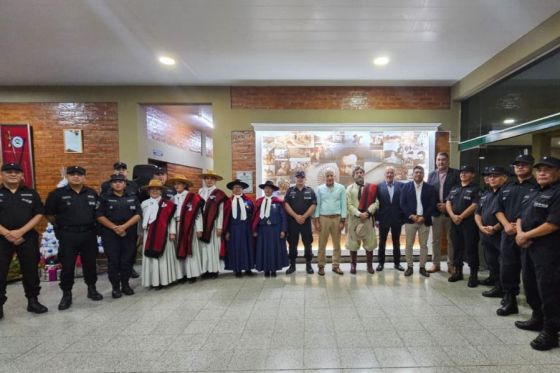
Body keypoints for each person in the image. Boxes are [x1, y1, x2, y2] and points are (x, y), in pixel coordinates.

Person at [515, 156, 560, 351]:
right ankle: (537, 318)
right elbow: (520, 216)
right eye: (539, 169)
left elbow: (553, 224)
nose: (541, 173)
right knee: (531, 284)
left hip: (548, 250)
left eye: (547, 169)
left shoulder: (557, 193)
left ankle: (551, 332)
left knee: (549, 290)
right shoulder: (532, 191)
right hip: (528, 247)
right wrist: (520, 233)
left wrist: (526, 235)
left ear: (558, 172)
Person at [45, 166, 103, 310]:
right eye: (72, 174)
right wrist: (58, 227)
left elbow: (97, 213)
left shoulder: (91, 193)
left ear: (84, 177)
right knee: (68, 266)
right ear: (67, 176)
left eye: (79, 174)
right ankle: (66, 294)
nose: (76, 177)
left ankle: (92, 289)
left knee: (90, 264)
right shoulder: (57, 194)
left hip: (89, 234)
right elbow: (49, 213)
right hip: (68, 235)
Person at [0, 163, 48, 319]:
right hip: (2, 238)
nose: (13, 174)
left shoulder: (31, 193)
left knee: (31, 271)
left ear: (22, 175)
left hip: (27, 238)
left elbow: (39, 214)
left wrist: (21, 232)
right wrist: (7, 233)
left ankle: (33, 301)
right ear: (2, 175)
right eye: (9, 172)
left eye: (17, 172)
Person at [493, 154, 538, 316]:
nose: (520, 167)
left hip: (530, 236)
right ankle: (510, 300)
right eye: (517, 164)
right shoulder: (507, 186)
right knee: (507, 267)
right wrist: (506, 225)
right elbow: (497, 209)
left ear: (531, 166)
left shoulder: (538, 186)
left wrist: (519, 228)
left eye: (524, 164)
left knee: (529, 272)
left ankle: (537, 310)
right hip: (509, 233)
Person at [96, 174, 141, 298]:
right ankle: (115, 288)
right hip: (110, 234)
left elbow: (138, 214)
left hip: (129, 234)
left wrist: (124, 227)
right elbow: (99, 215)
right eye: (115, 182)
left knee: (127, 261)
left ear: (125, 183)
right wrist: (115, 228)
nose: (118, 184)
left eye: (120, 181)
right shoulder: (104, 198)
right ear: (111, 184)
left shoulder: (132, 197)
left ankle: (125, 285)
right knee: (114, 262)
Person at [100, 162, 141, 279]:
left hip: (129, 228)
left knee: (128, 256)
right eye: (118, 169)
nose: (120, 171)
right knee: (113, 258)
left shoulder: (133, 185)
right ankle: (115, 285)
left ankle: (126, 280)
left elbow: (138, 209)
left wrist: (125, 227)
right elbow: (100, 212)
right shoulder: (105, 187)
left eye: (123, 169)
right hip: (110, 229)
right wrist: (115, 227)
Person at [474, 166, 507, 298]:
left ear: (504, 178)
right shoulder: (486, 194)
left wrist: (495, 228)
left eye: (495, 176)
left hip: (500, 234)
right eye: (490, 176)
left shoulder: (506, 193)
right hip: (486, 233)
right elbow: (478, 213)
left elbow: (510, 215)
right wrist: (481, 227)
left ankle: (503, 289)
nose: (491, 178)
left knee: (503, 263)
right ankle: (497, 284)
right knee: (492, 261)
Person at [446, 165, 481, 286]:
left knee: (471, 249)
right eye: (461, 173)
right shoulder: (455, 188)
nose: (463, 174)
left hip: (469, 224)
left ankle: (473, 275)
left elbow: (475, 205)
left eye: (466, 172)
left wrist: (461, 217)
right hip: (455, 223)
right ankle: (458, 272)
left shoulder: (476, 189)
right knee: (457, 248)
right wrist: (452, 216)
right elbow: (448, 202)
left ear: (472, 175)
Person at [427, 152, 460, 274]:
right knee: (435, 240)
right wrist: (436, 205)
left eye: (443, 160)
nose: (441, 162)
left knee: (451, 240)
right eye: (439, 160)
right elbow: (429, 192)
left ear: (448, 161)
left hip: (450, 212)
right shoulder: (431, 175)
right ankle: (435, 264)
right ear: (436, 161)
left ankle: (451, 265)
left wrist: (447, 205)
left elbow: (457, 192)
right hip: (436, 212)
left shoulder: (456, 174)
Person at [140, 179, 177, 288]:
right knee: (150, 259)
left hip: (164, 234)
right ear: (148, 191)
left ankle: (164, 280)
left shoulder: (168, 204)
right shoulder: (144, 204)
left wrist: (172, 232)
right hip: (149, 235)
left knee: (163, 258)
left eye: (157, 189)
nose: (154, 191)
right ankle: (152, 281)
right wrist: (141, 234)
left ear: (161, 191)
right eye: (152, 189)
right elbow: (141, 221)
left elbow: (172, 220)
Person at [400, 165, 436, 277]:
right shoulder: (406, 187)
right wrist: (411, 215)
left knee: (424, 245)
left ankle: (422, 267)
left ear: (423, 174)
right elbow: (402, 203)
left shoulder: (430, 188)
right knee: (409, 245)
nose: (418, 174)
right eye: (416, 172)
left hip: (424, 221)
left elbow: (432, 204)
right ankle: (409, 267)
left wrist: (424, 216)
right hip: (410, 220)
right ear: (413, 174)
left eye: (420, 172)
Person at [168, 175, 204, 282]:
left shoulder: (193, 197)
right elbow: (170, 217)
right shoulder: (172, 199)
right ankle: (182, 274)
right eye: (175, 184)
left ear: (185, 185)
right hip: (177, 225)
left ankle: (192, 274)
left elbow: (198, 214)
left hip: (190, 227)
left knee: (190, 249)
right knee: (178, 249)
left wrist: (199, 228)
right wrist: (172, 230)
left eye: (179, 183)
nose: (176, 186)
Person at [346, 166, 379, 274]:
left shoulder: (371, 188)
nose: (359, 174)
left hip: (368, 220)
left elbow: (376, 202)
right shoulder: (349, 189)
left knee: (369, 243)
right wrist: (359, 214)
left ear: (363, 174)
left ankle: (369, 266)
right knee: (353, 243)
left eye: (361, 172)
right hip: (354, 220)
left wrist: (368, 212)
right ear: (353, 176)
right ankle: (353, 265)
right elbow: (349, 205)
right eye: (357, 173)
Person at [314, 168, 347, 275]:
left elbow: (343, 205)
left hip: (337, 219)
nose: (329, 178)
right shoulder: (319, 189)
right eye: (327, 176)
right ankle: (321, 266)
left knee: (337, 244)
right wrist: (317, 221)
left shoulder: (341, 188)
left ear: (335, 177)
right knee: (321, 244)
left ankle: (336, 265)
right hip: (323, 218)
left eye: (331, 175)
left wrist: (342, 220)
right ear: (324, 177)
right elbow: (317, 205)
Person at [252, 181, 289, 277]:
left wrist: (283, 230)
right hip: (262, 230)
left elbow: (283, 217)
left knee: (274, 250)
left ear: (272, 190)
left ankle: (274, 270)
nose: (267, 190)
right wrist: (254, 229)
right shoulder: (259, 202)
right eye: (266, 188)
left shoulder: (278, 202)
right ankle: (265, 269)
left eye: (269, 188)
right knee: (263, 249)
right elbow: (255, 217)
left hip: (275, 230)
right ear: (264, 190)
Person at [284, 171, 316, 275]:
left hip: (305, 222)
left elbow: (313, 205)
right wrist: (296, 216)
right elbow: (286, 205)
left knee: (308, 244)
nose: (300, 179)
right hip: (293, 222)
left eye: (302, 177)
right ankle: (292, 265)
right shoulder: (290, 191)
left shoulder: (310, 191)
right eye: (298, 177)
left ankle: (308, 265)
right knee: (292, 244)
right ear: (295, 178)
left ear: (304, 178)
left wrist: (304, 216)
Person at [223, 179, 255, 277]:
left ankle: (248, 268)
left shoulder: (249, 201)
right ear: (232, 189)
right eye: (235, 187)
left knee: (247, 248)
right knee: (236, 249)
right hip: (234, 229)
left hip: (246, 229)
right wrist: (227, 231)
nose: (237, 189)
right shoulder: (228, 202)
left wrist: (253, 229)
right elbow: (225, 217)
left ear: (243, 189)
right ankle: (237, 269)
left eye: (239, 187)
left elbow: (254, 215)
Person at [198, 170, 227, 278]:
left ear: (215, 180)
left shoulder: (219, 193)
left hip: (213, 224)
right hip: (202, 224)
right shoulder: (200, 192)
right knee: (204, 248)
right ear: (204, 180)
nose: (209, 180)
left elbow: (221, 211)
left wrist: (220, 226)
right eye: (207, 178)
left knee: (213, 247)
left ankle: (214, 270)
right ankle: (205, 269)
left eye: (211, 178)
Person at [376, 166, 405, 271]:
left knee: (396, 242)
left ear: (394, 174)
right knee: (382, 242)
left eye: (391, 173)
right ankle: (380, 263)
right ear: (385, 174)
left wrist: (403, 218)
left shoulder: (401, 186)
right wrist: (377, 219)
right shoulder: (379, 187)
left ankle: (397, 264)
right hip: (383, 219)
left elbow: (403, 203)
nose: (389, 175)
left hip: (397, 219)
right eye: (387, 173)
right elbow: (376, 204)